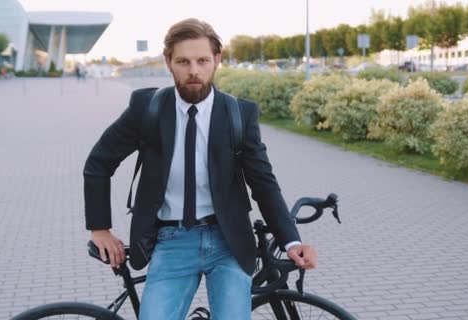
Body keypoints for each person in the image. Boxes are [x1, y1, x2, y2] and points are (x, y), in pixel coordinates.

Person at [83, 18, 317, 320]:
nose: (194, 70)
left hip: (228, 242)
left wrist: (291, 241)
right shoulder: (147, 109)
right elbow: (98, 163)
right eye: (183, 61)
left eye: (203, 60)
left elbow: (263, 183)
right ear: (168, 62)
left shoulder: (239, 114)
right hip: (171, 242)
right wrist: (99, 229)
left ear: (216, 60)